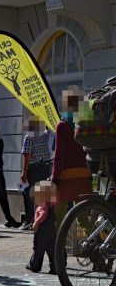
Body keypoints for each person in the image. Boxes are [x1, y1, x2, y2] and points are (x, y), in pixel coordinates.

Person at [52, 86, 92, 228]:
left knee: (59, 217)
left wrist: (54, 178)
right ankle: (97, 243)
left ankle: (58, 248)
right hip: (84, 175)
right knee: (82, 217)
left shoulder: (62, 125)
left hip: (66, 178)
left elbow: (59, 155)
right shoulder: (84, 123)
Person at [19, 117, 52, 230]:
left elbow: (27, 155)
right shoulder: (46, 135)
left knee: (27, 193)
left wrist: (24, 171)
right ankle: (43, 220)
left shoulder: (29, 137)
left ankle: (29, 220)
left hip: (33, 168)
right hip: (46, 167)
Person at [26, 181, 57, 274]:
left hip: (42, 231)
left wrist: (36, 223)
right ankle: (55, 267)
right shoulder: (51, 204)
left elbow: (44, 214)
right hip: (51, 230)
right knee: (52, 251)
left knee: (38, 249)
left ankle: (35, 266)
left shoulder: (43, 204)